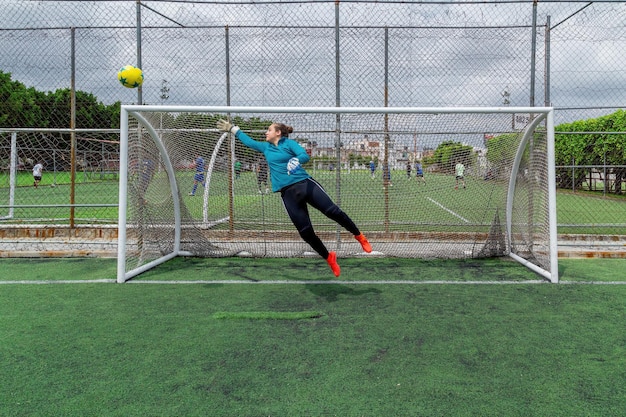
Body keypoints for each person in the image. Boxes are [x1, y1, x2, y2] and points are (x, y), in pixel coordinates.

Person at [217, 119, 372, 277]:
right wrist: (232, 129)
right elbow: (248, 141)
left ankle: (359, 236)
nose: (266, 132)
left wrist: (296, 159)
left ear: (278, 133)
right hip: (288, 195)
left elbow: (304, 155)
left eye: (269, 130)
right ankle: (329, 257)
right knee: (305, 232)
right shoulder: (265, 147)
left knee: (333, 212)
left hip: (305, 185)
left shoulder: (289, 144)